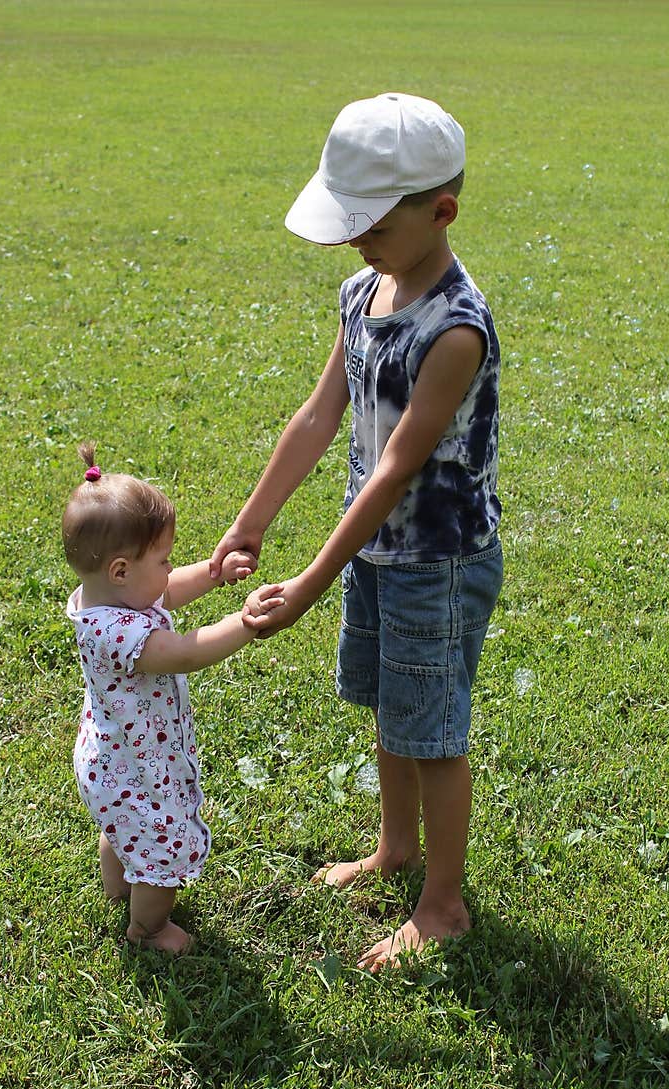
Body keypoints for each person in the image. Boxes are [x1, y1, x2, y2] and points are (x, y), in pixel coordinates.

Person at [212, 92, 504, 971]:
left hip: (436, 559)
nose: (351, 239)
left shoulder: (454, 331)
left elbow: (395, 469)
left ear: (440, 210)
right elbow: (315, 419)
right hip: (375, 545)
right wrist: (249, 525)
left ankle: (443, 903)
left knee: (433, 730)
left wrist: (306, 583)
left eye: (369, 223)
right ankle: (394, 848)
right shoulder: (361, 291)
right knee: (390, 704)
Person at [63, 441, 284, 954]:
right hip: (137, 765)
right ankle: (148, 929)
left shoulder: (106, 600)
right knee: (161, 846)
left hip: (111, 759)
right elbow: (184, 653)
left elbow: (166, 592)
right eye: (163, 561)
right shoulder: (118, 634)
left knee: (124, 825)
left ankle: (118, 883)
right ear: (120, 570)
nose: (169, 571)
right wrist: (245, 623)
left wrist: (212, 573)